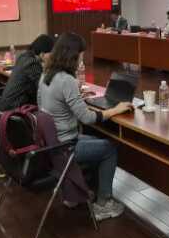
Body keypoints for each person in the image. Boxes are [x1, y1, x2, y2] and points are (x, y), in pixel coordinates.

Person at [37, 33, 130, 220]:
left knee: (96, 140)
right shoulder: (67, 80)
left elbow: (48, 104)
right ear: (73, 55)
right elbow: (87, 118)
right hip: (66, 145)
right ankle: (104, 204)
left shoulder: (46, 74)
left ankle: (77, 193)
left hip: (52, 143)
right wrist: (115, 110)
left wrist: (76, 99)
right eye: (81, 54)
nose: (82, 58)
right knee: (109, 149)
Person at [0, 34, 55, 111]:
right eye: (51, 53)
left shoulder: (24, 56)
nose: (53, 57)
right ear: (42, 54)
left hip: (6, 104)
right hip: (14, 108)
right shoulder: (32, 63)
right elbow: (44, 87)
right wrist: (49, 66)